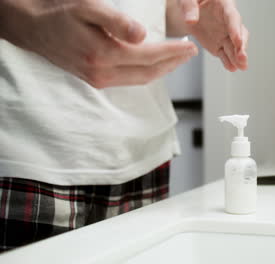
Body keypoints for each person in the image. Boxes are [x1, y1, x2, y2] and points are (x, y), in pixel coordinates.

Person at [0, 0, 248, 252]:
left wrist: (190, 14)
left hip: (143, 155)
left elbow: (148, 10)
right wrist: (27, 20)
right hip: (29, 153)